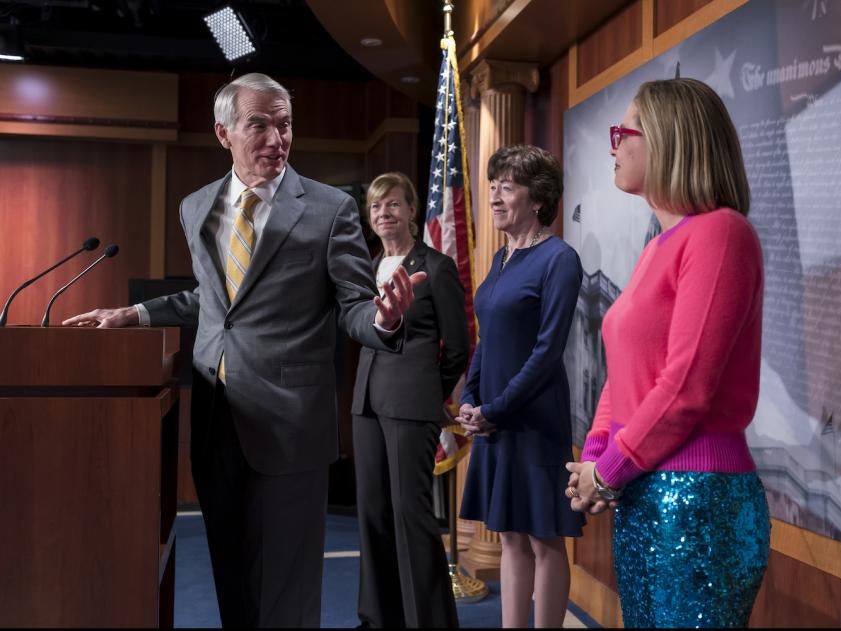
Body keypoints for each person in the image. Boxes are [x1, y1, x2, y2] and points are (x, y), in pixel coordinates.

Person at [63, 73, 424, 628]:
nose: (277, 137)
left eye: (285, 124)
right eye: (259, 124)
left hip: (290, 429)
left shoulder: (330, 210)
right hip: (215, 426)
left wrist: (383, 317)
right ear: (223, 133)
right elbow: (215, 299)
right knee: (233, 585)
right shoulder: (196, 207)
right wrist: (134, 313)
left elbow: (353, 304)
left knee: (286, 598)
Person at [564, 77, 770, 628]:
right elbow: (623, 373)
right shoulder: (659, 244)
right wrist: (596, 452)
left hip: (698, 502)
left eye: (623, 131)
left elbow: (686, 386)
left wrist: (606, 472)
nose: (614, 144)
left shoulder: (722, 234)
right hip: (646, 495)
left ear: (668, 139)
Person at [456, 144, 584, 628]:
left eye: (506, 187)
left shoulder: (559, 259)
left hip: (534, 420)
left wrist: (497, 408)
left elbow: (548, 351)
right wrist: (472, 398)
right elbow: (488, 338)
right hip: (496, 420)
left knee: (544, 537)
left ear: (538, 198)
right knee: (510, 533)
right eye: (492, 186)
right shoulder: (502, 257)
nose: (493, 195)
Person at [349, 172, 468, 628]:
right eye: (377, 207)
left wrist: (425, 393)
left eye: (394, 204)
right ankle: (378, 618)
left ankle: (430, 620)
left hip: (411, 405)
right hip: (366, 402)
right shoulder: (364, 267)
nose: (384, 213)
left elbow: (457, 347)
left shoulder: (435, 267)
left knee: (408, 512)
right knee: (373, 512)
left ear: (412, 211)